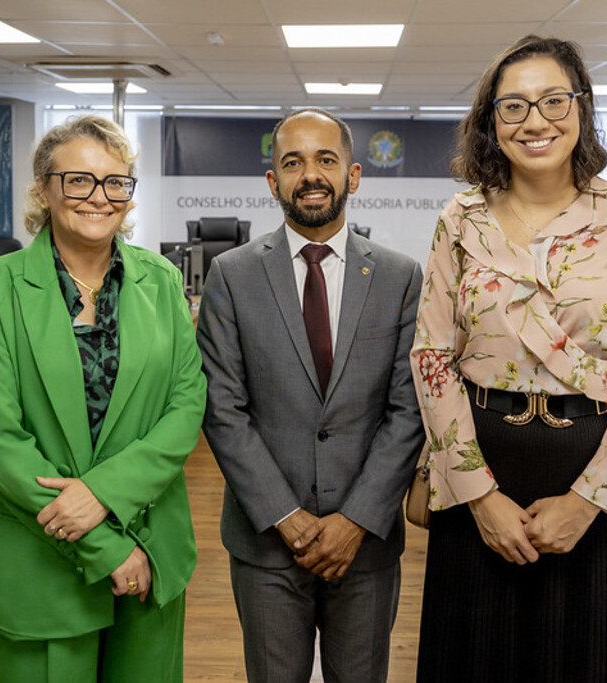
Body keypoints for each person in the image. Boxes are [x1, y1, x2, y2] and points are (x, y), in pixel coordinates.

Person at [411, 36, 607, 682]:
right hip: (482, 472)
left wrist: (585, 501)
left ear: (581, 108)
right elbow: (431, 360)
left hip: (601, 478)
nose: (535, 120)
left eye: (553, 100)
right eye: (513, 107)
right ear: (490, 123)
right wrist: (481, 497)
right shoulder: (461, 220)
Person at [0, 115, 206, 682]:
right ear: (44, 189)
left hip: (150, 547)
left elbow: (185, 405)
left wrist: (102, 494)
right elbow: (0, 443)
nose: (99, 197)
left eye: (116, 182)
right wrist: (105, 545)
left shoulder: (164, 281)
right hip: (36, 562)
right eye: (79, 180)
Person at [197, 108, 424, 683]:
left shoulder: (401, 277)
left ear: (353, 175)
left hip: (365, 543)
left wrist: (355, 519)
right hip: (266, 544)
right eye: (293, 162)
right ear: (273, 182)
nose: (311, 174)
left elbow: (408, 410)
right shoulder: (231, 275)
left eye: (326, 159)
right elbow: (223, 409)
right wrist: (287, 517)